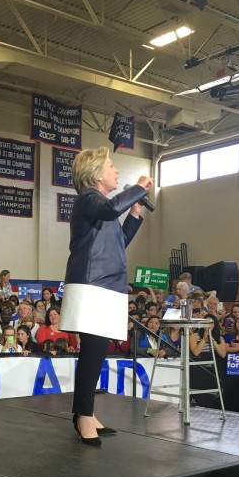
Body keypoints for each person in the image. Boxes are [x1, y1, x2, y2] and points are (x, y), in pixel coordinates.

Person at [60, 146, 153, 445]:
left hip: (105, 284)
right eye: (111, 166)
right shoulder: (90, 198)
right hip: (92, 284)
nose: (116, 171)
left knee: (97, 351)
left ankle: (85, 412)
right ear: (97, 174)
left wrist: (134, 215)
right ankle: (82, 415)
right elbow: (113, 208)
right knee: (93, 350)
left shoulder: (100, 206)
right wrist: (138, 188)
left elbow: (118, 243)